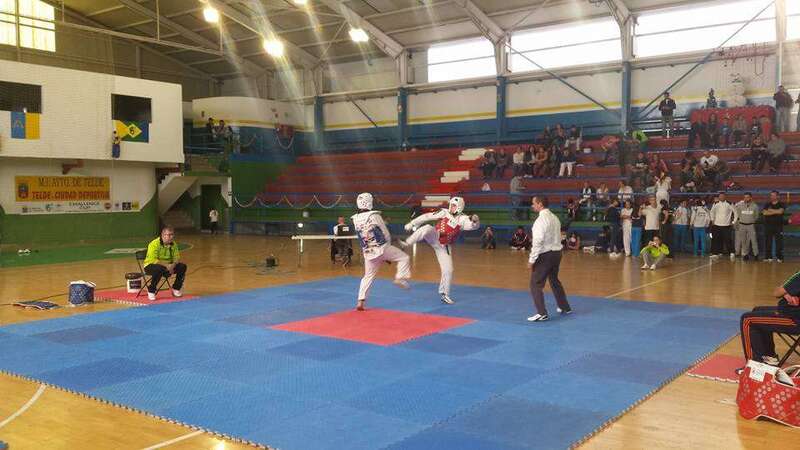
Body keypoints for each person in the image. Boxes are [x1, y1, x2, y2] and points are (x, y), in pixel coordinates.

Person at [401, 197, 479, 304]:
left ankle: (444, 294)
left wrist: (475, 221)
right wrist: (412, 223)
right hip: (435, 236)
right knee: (427, 228)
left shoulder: (463, 219)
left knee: (448, 270)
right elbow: (426, 216)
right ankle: (407, 243)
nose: (451, 207)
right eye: (451, 205)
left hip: (444, 246)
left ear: (460, 208)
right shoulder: (444, 212)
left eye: (454, 206)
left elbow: (473, 227)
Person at [352, 193, 411, 311]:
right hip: (381, 248)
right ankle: (400, 277)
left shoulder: (355, 219)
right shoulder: (374, 215)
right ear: (369, 202)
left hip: (368, 251)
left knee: (368, 276)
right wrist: (387, 250)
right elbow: (385, 233)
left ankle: (360, 301)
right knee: (404, 258)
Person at [739, 271, 800, 365]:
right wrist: (786, 293)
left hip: (794, 319)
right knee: (757, 311)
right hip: (791, 312)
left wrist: (785, 292)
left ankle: (753, 365)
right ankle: (770, 357)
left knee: (747, 319)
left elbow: (777, 292)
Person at [527, 196, 571, 322]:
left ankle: (541, 313)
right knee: (554, 280)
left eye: (533, 203)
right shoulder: (555, 218)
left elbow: (538, 241)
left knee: (535, 283)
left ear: (540, 204)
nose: (532, 206)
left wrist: (532, 259)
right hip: (557, 253)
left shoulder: (540, 221)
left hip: (545, 255)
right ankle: (564, 307)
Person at [143, 227, 187, 301]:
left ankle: (176, 288)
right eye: (168, 235)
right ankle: (151, 290)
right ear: (163, 235)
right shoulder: (154, 244)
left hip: (168, 266)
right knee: (159, 269)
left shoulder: (174, 244)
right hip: (151, 265)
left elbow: (176, 258)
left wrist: (172, 266)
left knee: (182, 266)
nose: (171, 237)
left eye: (172, 235)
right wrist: (167, 266)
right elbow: (154, 259)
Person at [710, 192, 736, 259]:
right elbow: (712, 212)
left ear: (725, 197)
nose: (721, 197)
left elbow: (736, 213)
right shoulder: (715, 203)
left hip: (726, 225)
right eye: (720, 196)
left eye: (722, 196)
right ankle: (716, 253)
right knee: (716, 239)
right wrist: (712, 220)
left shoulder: (729, 204)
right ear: (719, 197)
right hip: (716, 225)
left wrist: (733, 222)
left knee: (728, 240)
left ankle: (732, 253)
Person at [734, 193, 759, 261]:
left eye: (747, 197)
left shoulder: (755, 206)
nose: (746, 199)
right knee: (743, 241)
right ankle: (745, 254)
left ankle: (756, 254)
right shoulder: (740, 206)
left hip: (751, 225)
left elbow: (756, 216)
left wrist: (751, 220)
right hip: (742, 225)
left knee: (754, 240)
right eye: (745, 197)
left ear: (750, 198)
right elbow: (738, 214)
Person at [762, 190, 785, 263]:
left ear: (778, 196)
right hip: (768, 226)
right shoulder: (767, 204)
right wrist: (776, 211)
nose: (772, 197)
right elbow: (764, 213)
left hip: (778, 226)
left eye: (774, 195)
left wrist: (770, 210)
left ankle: (779, 257)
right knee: (768, 242)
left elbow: (780, 211)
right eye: (771, 195)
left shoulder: (781, 204)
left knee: (779, 243)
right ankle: (768, 257)